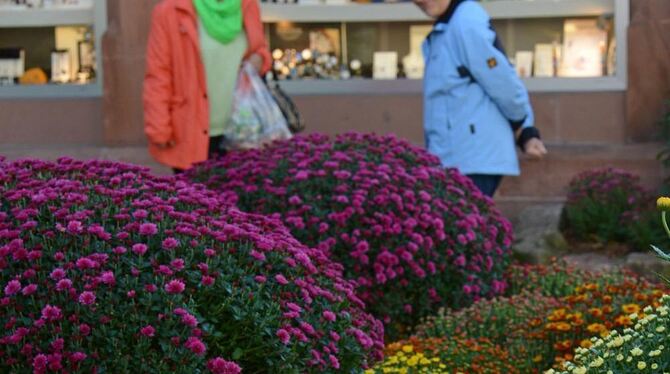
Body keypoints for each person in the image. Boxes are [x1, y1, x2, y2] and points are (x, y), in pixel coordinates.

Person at [413, 0, 547, 197]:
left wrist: (525, 128)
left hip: (472, 159)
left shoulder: (466, 21)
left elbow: (501, 80)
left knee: (464, 225)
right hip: (457, 158)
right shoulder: (447, 26)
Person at [143, 0, 271, 173]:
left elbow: (260, 49)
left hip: (241, 130)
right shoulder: (171, 10)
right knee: (196, 197)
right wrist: (158, 127)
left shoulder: (247, 5)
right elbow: (158, 74)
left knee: (239, 197)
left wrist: (261, 58)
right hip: (190, 132)